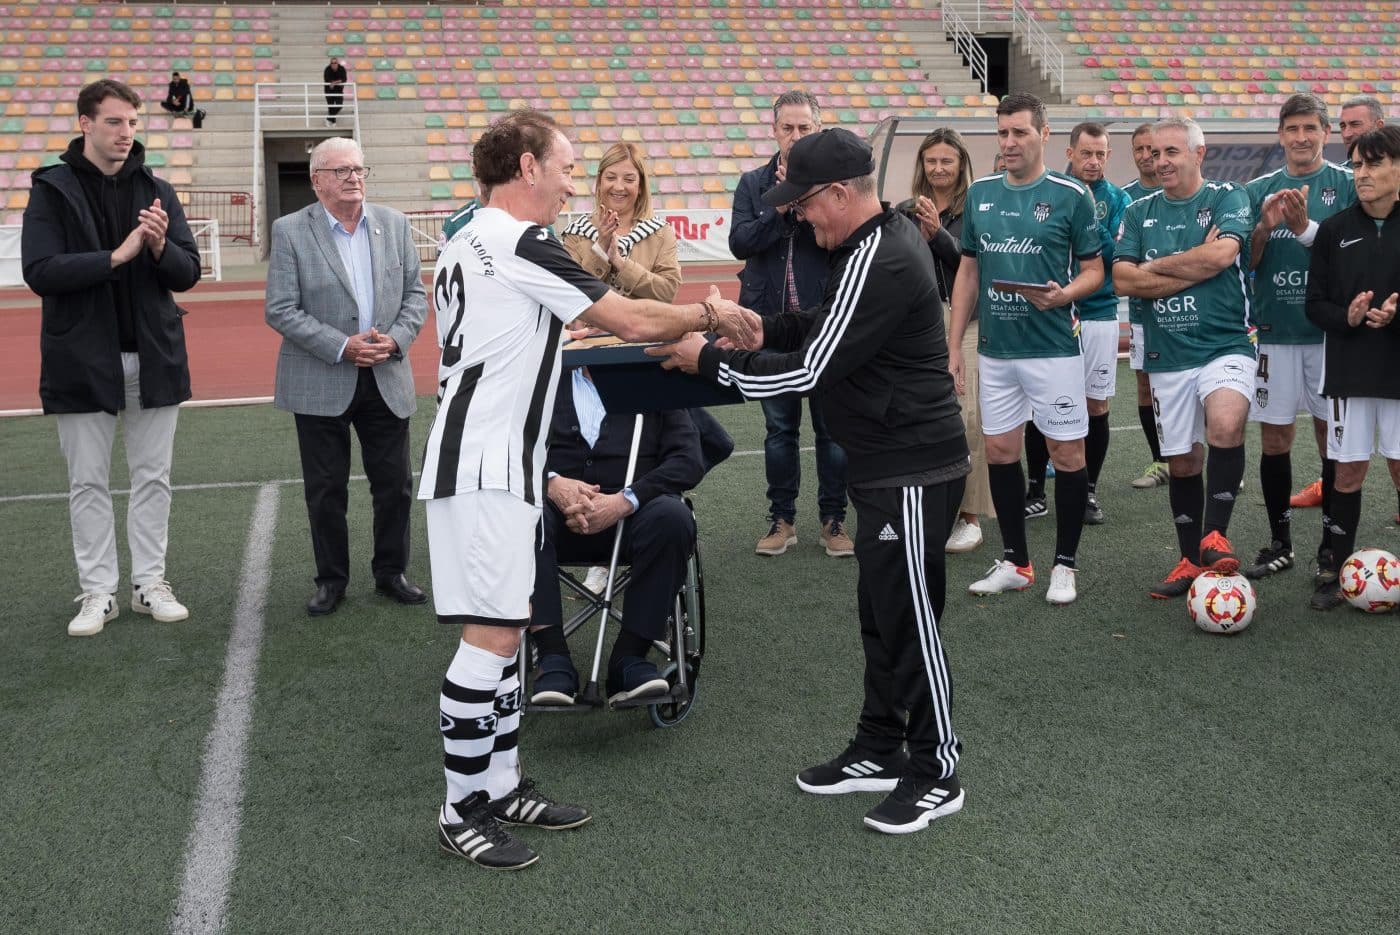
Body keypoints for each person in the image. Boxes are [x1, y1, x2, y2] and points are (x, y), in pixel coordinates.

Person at [422, 109, 757, 870]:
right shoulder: (520, 240)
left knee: (508, 632)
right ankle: (460, 808)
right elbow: (628, 317)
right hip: (485, 466)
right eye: (567, 167)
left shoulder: (467, 238)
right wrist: (712, 312)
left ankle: (501, 785)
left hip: (499, 463)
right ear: (528, 168)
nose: (574, 183)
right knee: (490, 637)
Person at [652, 128, 969, 835]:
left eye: (803, 203)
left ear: (837, 194)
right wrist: (761, 330)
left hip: (913, 467)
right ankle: (880, 745)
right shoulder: (867, 246)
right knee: (881, 616)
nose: (797, 215)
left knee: (910, 623)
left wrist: (710, 361)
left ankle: (936, 769)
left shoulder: (879, 253)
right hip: (888, 464)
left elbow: (811, 370)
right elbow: (826, 327)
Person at [21, 78, 201, 637]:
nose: (126, 133)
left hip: (154, 356)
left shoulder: (157, 189)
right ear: (86, 124)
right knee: (87, 483)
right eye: (115, 122)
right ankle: (99, 592)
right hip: (80, 358)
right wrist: (115, 257)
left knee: (154, 478)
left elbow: (188, 273)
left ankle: (150, 584)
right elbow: (40, 271)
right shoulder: (51, 189)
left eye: (133, 122)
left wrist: (159, 248)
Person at [947, 92, 1105, 606]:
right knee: (999, 451)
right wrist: (954, 346)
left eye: (1020, 132)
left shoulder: (1071, 194)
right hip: (995, 351)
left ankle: (1065, 565)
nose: (1009, 142)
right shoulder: (980, 194)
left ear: (1044, 134)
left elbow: (1095, 270)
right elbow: (968, 272)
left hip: (1053, 349)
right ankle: (1016, 562)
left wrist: (1064, 295)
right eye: (1003, 133)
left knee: (1067, 452)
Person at [264, 137, 428, 617]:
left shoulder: (394, 224)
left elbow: (415, 296)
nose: (353, 177)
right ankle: (331, 580)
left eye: (358, 169)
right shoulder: (290, 230)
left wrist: (394, 340)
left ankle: (391, 572)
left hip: (386, 374)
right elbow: (280, 309)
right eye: (341, 171)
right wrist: (342, 345)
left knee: (394, 484)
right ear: (316, 180)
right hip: (321, 377)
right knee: (325, 489)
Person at [1114, 117, 1256, 599]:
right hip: (1167, 354)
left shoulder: (1228, 196)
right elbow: (1123, 280)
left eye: (1171, 151)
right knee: (1182, 461)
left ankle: (1215, 534)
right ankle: (1190, 560)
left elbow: (1222, 257)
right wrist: (1198, 260)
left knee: (1226, 424)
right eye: (1155, 153)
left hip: (1224, 344)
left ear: (1199, 153)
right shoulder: (1138, 212)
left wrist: (1153, 267)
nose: (1160, 161)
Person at [526, 366, 703, 705]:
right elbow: (504, 445)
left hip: (635, 519)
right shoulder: (538, 375)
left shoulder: (654, 378)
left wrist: (625, 500)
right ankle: (552, 656)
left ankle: (630, 657)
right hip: (557, 519)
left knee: (673, 517)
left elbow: (688, 458)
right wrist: (551, 483)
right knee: (521, 518)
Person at [730, 90, 852, 559]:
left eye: (805, 128)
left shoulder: (834, 185)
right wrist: (779, 208)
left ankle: (833, 520)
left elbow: (843, 242)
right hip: (770, 326)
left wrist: (806, 198)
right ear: (774, 131)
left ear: (818, 130)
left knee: (831, 429)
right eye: (788, 128)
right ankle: (782, 519)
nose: (796, 136)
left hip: (823, 323)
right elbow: (741, 242)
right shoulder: (752, 183)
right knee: (779, 430)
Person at [1243, 94, 1355, 584]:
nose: (1301, 137)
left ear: (1326, 133)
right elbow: (1244, 262)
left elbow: (1354, 258)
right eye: (1292, 128)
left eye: (1310, 128)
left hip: (1331, 336)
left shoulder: (1347, 185)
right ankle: (1280, 542)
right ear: (1280, 134)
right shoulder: (1258, 190)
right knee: (1275, 438)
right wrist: (1264, 231)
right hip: (1276, 334)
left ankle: (1331, 546)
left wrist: (1304, 226)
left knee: (1333, 438)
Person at [1304, 125, 1400, 610]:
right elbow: (1314, 305)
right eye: (1357, 164)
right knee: (1347, 472)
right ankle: (1336, 569)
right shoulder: (1335, 230)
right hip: (1349, 370)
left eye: (1373, 163)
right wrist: (1348, 316)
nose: (1361, 173)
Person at [1023, 122, 1132, 526]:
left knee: (1095, 404)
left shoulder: (1118, 199)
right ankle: (1035, 490)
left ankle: (1088, 491)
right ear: (1069, 153)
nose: (1093, 161)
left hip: (1098, 313)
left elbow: (1117, 254)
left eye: (1101, 154)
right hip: (1051, 314)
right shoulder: (1048, 190)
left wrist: (1086, 208)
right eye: (1086, 153)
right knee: (1041, 403)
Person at [902, 127, 992, 554]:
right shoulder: (908, 211)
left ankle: (970, 516)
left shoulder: (976, 207)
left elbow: (975, 266)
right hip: (921, 324)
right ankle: (933, 505)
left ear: (961, 165)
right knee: (924, 417)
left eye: (947, 161)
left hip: (967, 320)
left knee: (967, 416)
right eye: (931, 160)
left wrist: (937, 234)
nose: (938, 168)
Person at [1122, 123, 1170, 490]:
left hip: (1190, 309)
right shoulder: (1126, 199)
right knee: (1145, 385)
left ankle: (1212, 457)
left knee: (1196, 383)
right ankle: (1161, 461)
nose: (1146, 156)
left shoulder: (1186, 191)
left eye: (1152, 149)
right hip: (1142, 312)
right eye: (1139, 149)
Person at [323, 56, 347, 127]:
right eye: (332, 63)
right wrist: (336, 82)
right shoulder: (327, 69)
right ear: (330, 64)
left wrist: (334, 82)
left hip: (338, 90)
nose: (333, 64)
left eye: (335, 63)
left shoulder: (341, 68)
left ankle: (328, 119)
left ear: (338, 63)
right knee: (331, 108)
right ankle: (333, 122)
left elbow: (344, 79)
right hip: (329, 90)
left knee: (339, 106)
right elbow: (327, 79)